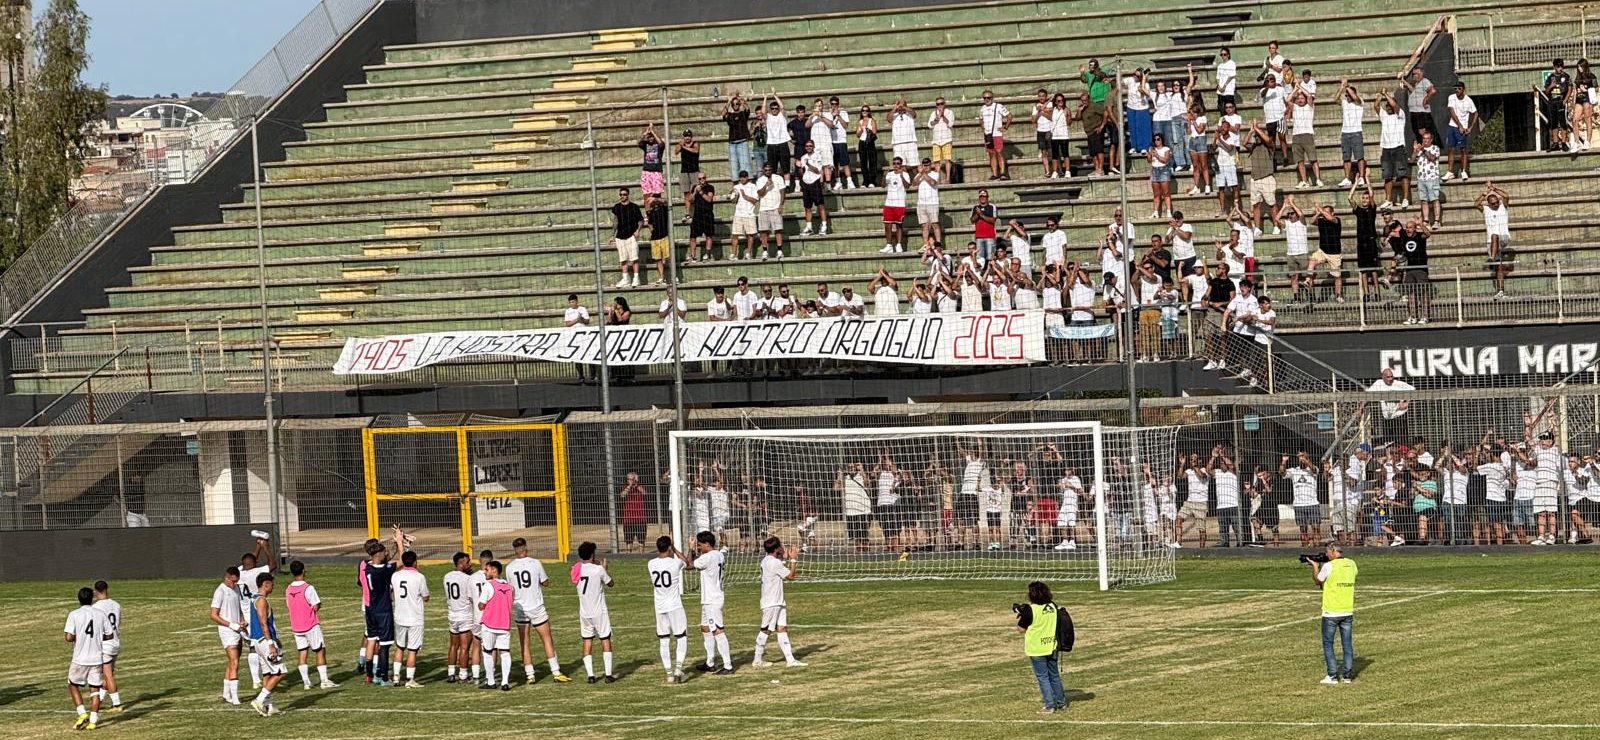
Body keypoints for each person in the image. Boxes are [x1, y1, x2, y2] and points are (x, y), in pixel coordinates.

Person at [505, 538, 567, 684]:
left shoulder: (509, 567)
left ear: (515, 550)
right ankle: (556, 672)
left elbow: (510, 588)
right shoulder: (535, 563)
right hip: (536, 607)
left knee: (524, 642)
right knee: (546, 639)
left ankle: (530, 675)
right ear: (526, 547)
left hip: (520, 608)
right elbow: (545, 582)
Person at [1014, 581, 1074, 715]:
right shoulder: (1052, 606)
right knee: (1054, 676)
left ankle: (1049, 705)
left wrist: (1022, 614)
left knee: (1043, 678)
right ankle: (1061, 703)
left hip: (1037, 649)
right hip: (1052, 646)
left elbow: (1020, 629)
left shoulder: (1031, 610)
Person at [361, 526, 405, 686]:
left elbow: (388, 562)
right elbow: (402, 561)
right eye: (384, 552)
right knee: (385, 645)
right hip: (383, 611)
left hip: (370, 609)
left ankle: (370, 674)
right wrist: (400, 542)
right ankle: (383, 677)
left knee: (371, 639)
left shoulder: (366, 567)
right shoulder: (382, 570)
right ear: (378, 554)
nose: (386, 554)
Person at [752, 536, 806, 668]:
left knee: (782, 629)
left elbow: (778, 569)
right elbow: (790, 576)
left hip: (777, 601)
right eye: (781, 545)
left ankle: (790, 660)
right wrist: (793, 559)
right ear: (776, 549)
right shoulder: (774, 563)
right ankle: (757, 660)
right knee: (765, 630)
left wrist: (783, 558)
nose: (783, 547)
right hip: (772, 602)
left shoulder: (766, 560)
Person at [686, 530, 734, 674]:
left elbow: (688, 565)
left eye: (699, 545)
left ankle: (728, 666)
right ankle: (710, 662)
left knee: (718, 631)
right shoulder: (719, 554)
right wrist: (723, 536)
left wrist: (690, 549)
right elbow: (724, 548)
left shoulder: (707, 558)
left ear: (707, 544)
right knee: (705, 628)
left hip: (712, 600)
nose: (698, 547)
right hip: (710, 599)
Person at [283, 561, 336, 690]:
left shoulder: (288, 589)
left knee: (302, 652)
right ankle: (324, 680)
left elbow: (289, 605)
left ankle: (306, 682)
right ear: (303, 570)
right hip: (310, 624)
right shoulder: (308, 588)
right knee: (319, 650)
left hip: (296, 626)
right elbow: (315, 606)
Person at [1309, 543, 1357, 684]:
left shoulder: (1329, 566)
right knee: (1347, 644)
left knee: (1328, 643)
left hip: (1331, 611)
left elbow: (1318, 580)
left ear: (1333, 551)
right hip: (1347, 609)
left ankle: (1332, 675)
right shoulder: (1352, 564)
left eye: (1327, 552)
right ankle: (1347, 676)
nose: (1326, 555)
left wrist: (1315, 566)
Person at [646, 536, 690, 684]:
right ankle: (678, 669)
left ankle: (669, 674)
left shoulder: (651, 564)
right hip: (674, 606)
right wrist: (677, 549)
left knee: (664, 640)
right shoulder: (674, 563)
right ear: (669, 547)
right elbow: (687, 562)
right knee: (681, 637)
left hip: (659, 607)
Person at [572, 541, 616, 683]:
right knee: (605, 639)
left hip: (584, 612)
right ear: (592, 554)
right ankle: (608, 675)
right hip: (599, 612)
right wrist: (604, 569)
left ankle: (590, 676)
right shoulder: (598, 570)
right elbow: (611, 583)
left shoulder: (577, 570)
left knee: (587, 641)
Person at [246, 573, 286, 716]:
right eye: (272, 584)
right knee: (280, 672)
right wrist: (271, 643)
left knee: (267, 673)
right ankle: (259, 700)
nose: (273, 586)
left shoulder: (254, 598)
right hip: (264, 641)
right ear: (265, 584)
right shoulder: (261, 601)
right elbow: (264, 624)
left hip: (258, 641)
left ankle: (268, 706)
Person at [388, 550, 429, 688]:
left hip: (400, 616)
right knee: (412, 650)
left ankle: (396, 677)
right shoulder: (419, 577)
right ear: (415, 562)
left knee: (400, 647)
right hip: (415, 618)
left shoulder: (395, 575)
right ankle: (410, 679)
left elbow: (391, 592)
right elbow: (426, 596)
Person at [66, 586, 105, 730]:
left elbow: (68, 637)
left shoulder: (74, 614)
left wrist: (77, 637)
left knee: (72, 684)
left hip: (80, 658)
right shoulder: (100, 614)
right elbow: (109, 634)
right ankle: (93, 721)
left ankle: (82, 713)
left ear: (79, 599)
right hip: (97, 658)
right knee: (95, 689)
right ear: (92, 598)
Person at [474, 559, 514, 690]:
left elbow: (481, 605)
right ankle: (505, 682)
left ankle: (491, 681)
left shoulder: (488, 585)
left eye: (487, 570)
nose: (485, 572)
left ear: (494, 571)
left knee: (487, 652)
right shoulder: (510, 586)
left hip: (490, 624)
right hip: (504, 625)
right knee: (505, 653)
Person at [209, 566, 246, 705]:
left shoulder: (236, 589)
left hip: (238, 629)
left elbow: (238, 608)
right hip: (227, 631)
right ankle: (235, 697)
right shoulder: (220, 591)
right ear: (227, 578)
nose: (235, 584)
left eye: (237, 581)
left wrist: (242, 620)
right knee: (234, 662)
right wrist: (230, 625)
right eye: (233, 581)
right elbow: (213, 615)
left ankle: (226, 693)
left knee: (233, 661)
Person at [1475, 181, 1513, 300]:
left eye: (1497, 202)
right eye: (1493, 203)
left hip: (1503, 237)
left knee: (1494, 235)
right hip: (1491, 243)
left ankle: (1491, 258)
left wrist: (1494, 189)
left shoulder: (1503, 207)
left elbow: (1506, 196)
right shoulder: (1486, 209)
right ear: (1489, 204)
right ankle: (1501, 290)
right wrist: (1484, 193)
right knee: (1498, 266)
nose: (1496, 204)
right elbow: (1476, 204)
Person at [442, 553, 475, 683]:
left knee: (453, 646)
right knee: (465, 647)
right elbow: (471, 597)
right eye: (467, 562)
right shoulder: (468, 578)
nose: (470, 564)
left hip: (452, 614)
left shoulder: (447, 576)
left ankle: (451, 673)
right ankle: (463, 675)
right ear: (461, 563)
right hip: (465, 615)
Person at [1376, 90, 1410, 209]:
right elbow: (1376, 106)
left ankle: (1405, 199)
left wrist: (1386, 94)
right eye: (1387, 106)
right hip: (1386, 149)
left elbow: (1395, 106)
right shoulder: (1384, 117)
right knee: (1387, 175)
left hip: (1398, 147)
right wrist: (1381, 95)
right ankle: (1388, 200)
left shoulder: (1400, 115)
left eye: (1390, 105)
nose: (1389, 107)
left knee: (1403, 174)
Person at [1368, 367, 1414, 443]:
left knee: (1401, 440)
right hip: (1387, 416)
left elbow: (1413, 390)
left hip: (1400, 415)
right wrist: (1360, 408)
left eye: (1391, 376)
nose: (1390, 379)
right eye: (1388, 377)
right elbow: (1367, 395)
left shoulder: (1399, 384)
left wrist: (1407, 402)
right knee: (1388, 440)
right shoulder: (1378, 384)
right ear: (1383, 377)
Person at [610, 187, 643, 288]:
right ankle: (625, 278)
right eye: (621, 194)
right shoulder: (616, 207)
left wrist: (637, 230)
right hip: (620, 236)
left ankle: (636, 278)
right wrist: (612, 235)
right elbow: (615, 222)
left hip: (631, 235)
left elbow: (640, 220)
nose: (622, 196)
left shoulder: (634, 207)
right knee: (623, 259)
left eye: (624, 194)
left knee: (634, 258)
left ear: (628, 195)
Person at [753, 162, 787, 260]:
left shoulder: (778, 178)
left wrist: (781, 205)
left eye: (769, 170)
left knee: (778, 230)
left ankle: (779, 250)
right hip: (764, 208)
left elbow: (782, 192)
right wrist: (766, 185)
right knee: (763, 231)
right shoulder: (760, 180)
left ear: (772, 170)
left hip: (776, 207)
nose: (768, 171)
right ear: (763, 170)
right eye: (766, 170)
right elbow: (760, 194)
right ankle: (765, 251)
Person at [1444, 82, 1477, 180]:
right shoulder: (1451, 97)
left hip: (1463, 128)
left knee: (1463, 149)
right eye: (1456, 89)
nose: (1457, 90)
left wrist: (1470, 127)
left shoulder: (1469, 101)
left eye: (1459, 88)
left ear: (1463, 89)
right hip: (1453, 126)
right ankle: (1450, 171)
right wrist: (1459, 126)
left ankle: (1464, 171)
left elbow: (1475, 113)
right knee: (1451, 148)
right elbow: (1452, 112)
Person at [796, 140, 829, 236]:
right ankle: (809, 227)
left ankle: (824, 225)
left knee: (820, 205)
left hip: (815, 182)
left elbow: (817, 171)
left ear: (813, 146)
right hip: (806, 183)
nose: (808, 147)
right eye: (807, 146)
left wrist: (808, 164)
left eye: (810, 146)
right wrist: (799, 168)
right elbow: (802, 172)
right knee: (807, 207)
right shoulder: (803, 157)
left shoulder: (817, 156)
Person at [978, 89, 1011, 180]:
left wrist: (1005, 127)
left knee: (999, 152)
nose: (986, 99)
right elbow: (980, 119)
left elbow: (1009, 116)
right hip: (988, 134)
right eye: (985, 98)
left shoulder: (999, 106)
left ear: (992, 98)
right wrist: (983, 127)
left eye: (988, 97)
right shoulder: (982, 108)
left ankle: (1003, 173)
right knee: (991, 154)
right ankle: (995, 173)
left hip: (997, 134)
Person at [1413, 130, 1443, 231]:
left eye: (1427, 139)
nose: (1425, 141)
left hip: (1432, 178)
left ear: (1431, 140)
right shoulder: (1419, 149)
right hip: (1421, 178)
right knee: (1424, 200)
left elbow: (1432, 158)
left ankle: (1437, 221)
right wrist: (1415, 151)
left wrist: (1423, 150)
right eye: (1424, 139)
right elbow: (1412, 160)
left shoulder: (1435, 148)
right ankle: (1426, 220)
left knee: (1435, 200)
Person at [1400, 68, 1437, 147]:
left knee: (1422, 132)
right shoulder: (1417, 83)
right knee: (1416, 131)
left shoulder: (1425, 81)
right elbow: (1414, 92)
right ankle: (1421, 148)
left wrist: (1426, 99)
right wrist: (1405, 83)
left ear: (1420, 74)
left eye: (1415, 74)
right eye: (1413, 74)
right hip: (1414, 111)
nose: (1413, 76)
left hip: (1421, 112)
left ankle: (1425, 148)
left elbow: (1433, 90)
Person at [881, 156, 911, 253]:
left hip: (900, 204)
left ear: (901, 164)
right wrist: (884, 176)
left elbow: (907, 187)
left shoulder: (905, 174)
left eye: (898, 163)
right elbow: (883, 186)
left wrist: (901, 176)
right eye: (894, 163)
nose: (896, 165)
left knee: (899, 225)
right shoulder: (889, 174)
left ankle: (899, 245)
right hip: (889, 203)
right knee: (887, 224)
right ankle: (889, 245)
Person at [721, 92, 753, 182]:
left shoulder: (743, 114)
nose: (735, 105)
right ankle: (735, 185)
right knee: (734, 166)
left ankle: (747, 184)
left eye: (737, 104)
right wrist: (729, 101)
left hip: (742, 142)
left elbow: (747, 108)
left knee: (745, 164)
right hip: (732, 143)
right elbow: (723, 114)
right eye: (733, 104)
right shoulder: (730, 115)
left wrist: (741, 100)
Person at [730, 170, 760, 261]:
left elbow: (755, 200)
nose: (742, 179)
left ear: (747, 177)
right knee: (735, 234)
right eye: (741, 177)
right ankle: (733, 254)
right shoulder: (736, 187)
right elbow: (733, 201)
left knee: (750, 235)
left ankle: (748, 253)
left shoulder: (753, 186)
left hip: (749, 214)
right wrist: (736, 196)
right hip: (738, 214)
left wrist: (744, 195)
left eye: (744, 177)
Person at [639, 124, 667, 197]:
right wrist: (645, 134)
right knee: (646, 194)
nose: (650, 139)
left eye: (652, 137)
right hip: (646, 171)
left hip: (656, 171)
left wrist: (653, 132)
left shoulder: (659, 146)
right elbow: (639, 142)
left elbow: (661, 144)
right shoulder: (645, 144)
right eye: (649, 137)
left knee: (657, 194)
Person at [856, 104, 880, 188]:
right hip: (862, 142)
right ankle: (865, 181)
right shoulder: (860, 121)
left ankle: (872, 181)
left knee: (872, 162)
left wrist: (867, 129)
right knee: (863, 163)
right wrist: (861, 130)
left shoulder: (871, 120)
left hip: (870, 142)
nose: (864, 112)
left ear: (869, 112)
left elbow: (875, 132)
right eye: (863, 110)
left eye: (866, 110)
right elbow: (857, 134)